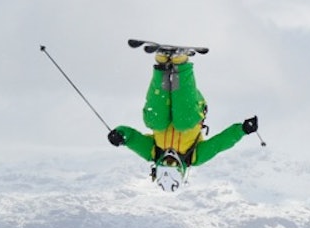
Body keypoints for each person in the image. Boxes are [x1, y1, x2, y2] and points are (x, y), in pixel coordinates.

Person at [107, 51, 258, 192]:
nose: (169, 159)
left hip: (164, 103)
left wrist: (120, 136)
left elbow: (133, 138)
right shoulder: (194, 157)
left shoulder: (153, 152)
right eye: (173, 164)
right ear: (180, 168)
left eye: (166, 163)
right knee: (183, 124)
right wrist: (242, 130)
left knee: (155, 121)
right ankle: (181, 65)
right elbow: (220, 143)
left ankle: (162, 68)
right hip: (190, 107)